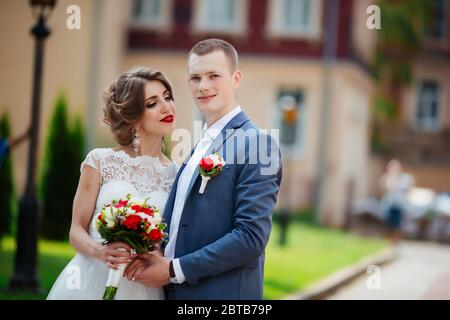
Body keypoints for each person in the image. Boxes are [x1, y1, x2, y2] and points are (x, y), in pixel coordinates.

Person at [124, 39, 283, 299]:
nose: (203, 86)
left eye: (213, 76)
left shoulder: (258, 143)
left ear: (236, 79)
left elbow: (250, 237)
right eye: (195, 78)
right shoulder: (199, 143)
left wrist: (174, 269)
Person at [47, 67, 179, 299]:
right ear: (133, 116)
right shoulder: (99, 161)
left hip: (146, 288)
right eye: (152, 103)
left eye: (167, 97)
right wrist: (101, 251)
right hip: (89, 280)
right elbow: (76, 230)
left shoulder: (178, 174)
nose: (167, 107)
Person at [380, 159, 414, 244]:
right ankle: (388, 242)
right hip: (390, 205)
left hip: (400, 205)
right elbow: (387, 187)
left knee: (398, 225)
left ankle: (395, 243)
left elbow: (409, 188)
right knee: (389, 225)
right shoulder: (387, 177)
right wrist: (392, 176)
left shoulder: (405, 178)